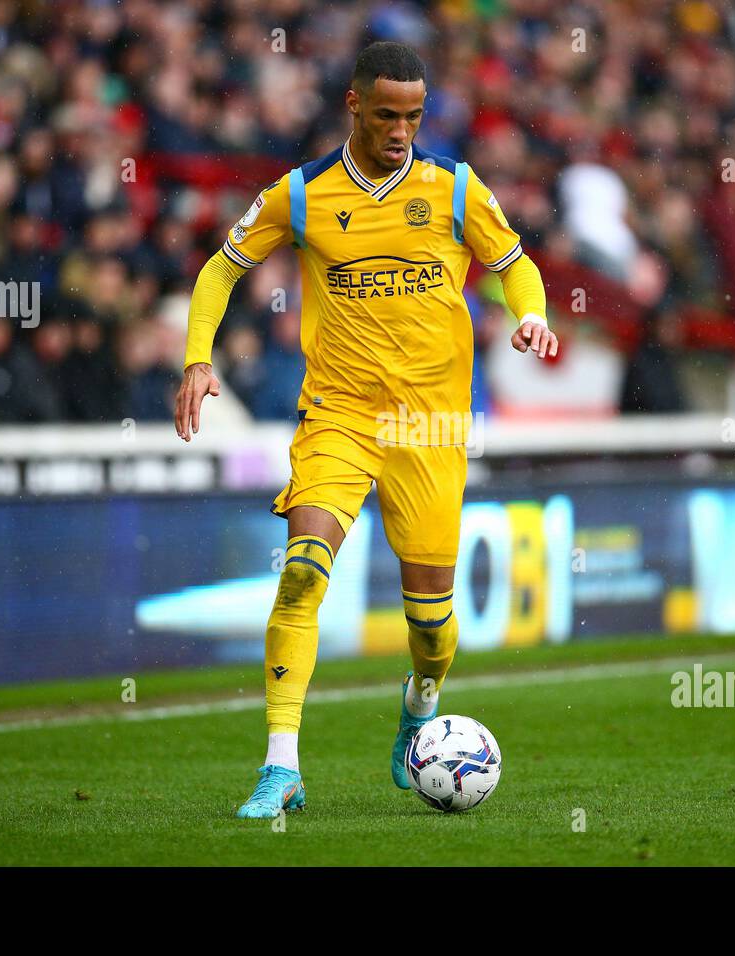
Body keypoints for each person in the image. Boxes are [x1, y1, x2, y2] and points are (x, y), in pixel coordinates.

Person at [174, 41, 557, 819]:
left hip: (431, 428)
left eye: (414, 116)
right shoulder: (303, 195)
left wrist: (534, 316)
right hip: (339, 416)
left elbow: (515, 262)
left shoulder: (452, 186)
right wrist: (196, 361)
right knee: (304, 571)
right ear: (354, 105)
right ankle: (282, 767)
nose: (402, 130)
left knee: (431, 626)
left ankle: (420, 703)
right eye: (387, 115)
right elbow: (221, 268)